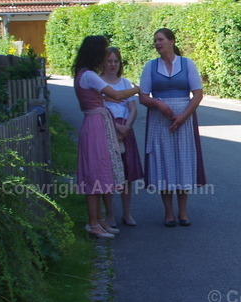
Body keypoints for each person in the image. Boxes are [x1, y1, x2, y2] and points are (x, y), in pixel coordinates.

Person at [71, 35, 140, 239]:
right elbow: (117, 95)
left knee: (99, 171)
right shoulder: (90, 75)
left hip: (94, 123)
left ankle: (100, 220)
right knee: (95, 173)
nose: (105, 56)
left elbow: (99, 96)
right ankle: (93, 223)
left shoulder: (82, 74)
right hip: (96, 125)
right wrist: (137, 89)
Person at [139, 28, 206, 227]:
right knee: (164, 163)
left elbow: (198, 94)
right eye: (155, 41)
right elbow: (143, 96)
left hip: (184, 120)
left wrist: (183, 117)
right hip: (160, 121)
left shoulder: (187, 64)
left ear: (171, 41)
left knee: (183, 162)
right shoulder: (150, 66)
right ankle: (169, 213)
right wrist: (158, 104)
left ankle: (183, 211)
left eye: (160, 39)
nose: (157, 43)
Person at [100, 46, 143, 227]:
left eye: (116, 61)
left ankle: (127, 213)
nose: (113, 64)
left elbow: (133, 109)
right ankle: (110, 215)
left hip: (125, 131)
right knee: (108, 174)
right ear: (103, 63)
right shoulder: (99, 83)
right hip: (106, 130)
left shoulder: (125, 83)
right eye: (109, 61)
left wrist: (126, 127)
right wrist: (115, 127)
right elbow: (99, 110)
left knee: (127, 175)